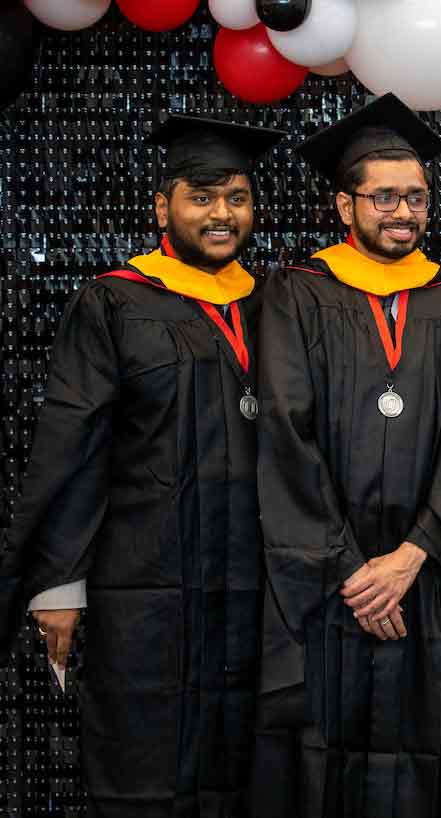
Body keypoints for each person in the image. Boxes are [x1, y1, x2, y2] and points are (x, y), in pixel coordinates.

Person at [0, 114, 285, 816]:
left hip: (252, 579)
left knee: (245, 752)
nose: (222, 214)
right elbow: (74, 441)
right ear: (164, 206)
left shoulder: (277, 304)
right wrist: (59, 584)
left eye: (238, 198)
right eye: (203, 196)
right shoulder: (115, 301)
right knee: (145, 748)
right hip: (144, 576)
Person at [252, 93, 441, 818]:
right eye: (384, 196)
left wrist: (414, 553)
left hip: (422, 580)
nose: (403, 212)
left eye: (416, 197)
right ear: (344, 205)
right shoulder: (298, 292)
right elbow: (283, 432)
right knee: (320, 762)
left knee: (421, 768)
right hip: (328, 586)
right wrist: (350, 567)